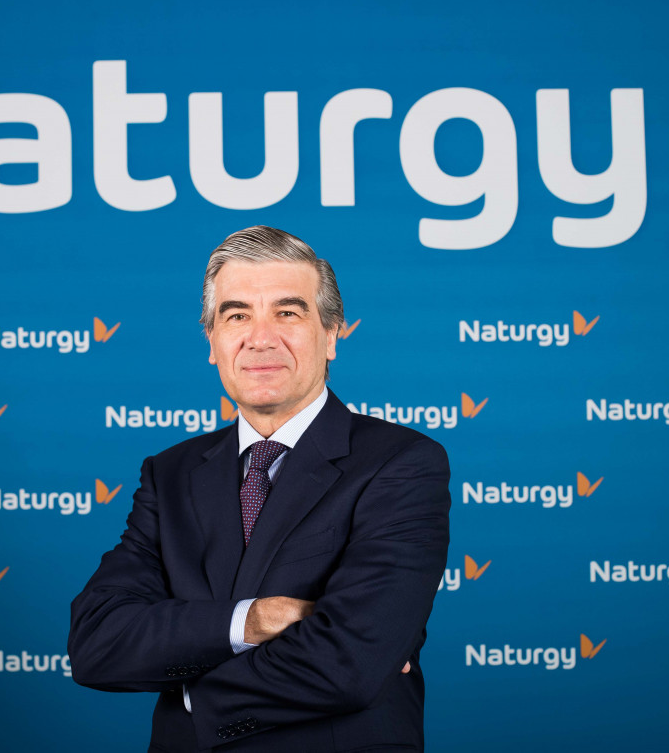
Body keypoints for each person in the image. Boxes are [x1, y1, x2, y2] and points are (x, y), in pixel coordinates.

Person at [69, 225, 450, 751]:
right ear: (212, 342)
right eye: (237, 315)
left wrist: (191, 690)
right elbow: (97, 643)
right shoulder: (170, 473)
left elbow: (350, 663)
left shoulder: (400, 463)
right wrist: (251, 620)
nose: (261, 337)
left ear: (331, 335)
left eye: (287, 313)